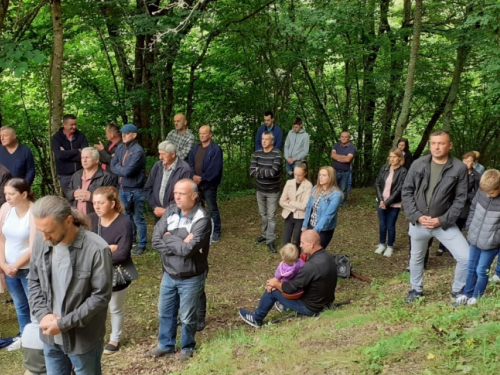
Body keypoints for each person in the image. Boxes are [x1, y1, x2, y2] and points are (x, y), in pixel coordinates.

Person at [27, 196, 113, 375]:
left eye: (49, 231)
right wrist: (43, 314)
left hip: (82, 339)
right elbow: (33, 280)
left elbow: (101, 297)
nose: (44, 237)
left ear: (67, 221)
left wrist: (64, 323)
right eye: (40, 231)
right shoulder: (41, 242)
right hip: (50, 336)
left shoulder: (96, 249)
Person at [402, 130, 470, 302]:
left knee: (466, 257)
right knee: (416, 258)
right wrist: (416, 216)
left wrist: (443, 219)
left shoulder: (459, 167)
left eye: (441, 143)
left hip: (443, 224)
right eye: (433, 143)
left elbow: (461, 199)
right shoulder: (418, 164)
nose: (436, 147)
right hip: (419, 223)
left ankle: (458, 290)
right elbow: (407, 191)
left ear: (449, 145)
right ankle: (416, 290)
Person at [148, 179, 211, 361]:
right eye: (175, 192)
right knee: (165, 312)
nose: (177, 196)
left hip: (191, 276)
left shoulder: (202, 218)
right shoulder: (170, 210)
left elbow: (188, 250)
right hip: (169, 273)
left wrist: (169, 237)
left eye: (181, 193)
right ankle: (165, 345)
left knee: (187, 316)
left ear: (193, 195)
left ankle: (187, 346)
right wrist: (179, 241)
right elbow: (156, 240)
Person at [238, 230, 337, 327]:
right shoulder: (329, 256)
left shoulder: (311, 266)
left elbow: (291, 288)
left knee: (272, 291)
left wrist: (275, 284)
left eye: (302, 243)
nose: (301, 245)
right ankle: (285, 306)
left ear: (311, 244)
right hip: (326, 303)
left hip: (312, 308)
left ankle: (256, 318)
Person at [89, 186, 135, 354]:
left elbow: (122, 254)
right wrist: (107, 250)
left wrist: (95, 256)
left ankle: (114, 339)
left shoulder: (123, 223)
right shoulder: (90, 219)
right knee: (94, 306)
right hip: (92, 273)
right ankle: (95, 336)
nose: (97, 206)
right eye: (94, 203)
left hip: (116, 273)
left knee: (114, 307)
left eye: (101, 203)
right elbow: (81, 246)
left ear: (112, 203)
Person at [453, 170, 500, 306]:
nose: (488, 195)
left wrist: (495, 240)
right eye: (485, 192)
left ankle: (476, 296)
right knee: (471, 267)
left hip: (491, 244)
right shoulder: (482, 192)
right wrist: (469, 226)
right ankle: (466, 293)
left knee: (481, 270)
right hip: (475, 238)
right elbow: (473, 208)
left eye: (491, 193)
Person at [0, 178, 36, 351]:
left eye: (11, 194)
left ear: (24, 194)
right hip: (9, 268)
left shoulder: (34, 212)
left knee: (35, 303)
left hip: (28, 268)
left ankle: (38, 336)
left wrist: (15, 266)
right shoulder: (6, 210)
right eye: (5, 193)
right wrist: (3, 264)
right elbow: (1, 238)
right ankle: (24, 335)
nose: (7, 197)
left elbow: (33, 245)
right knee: (19, 303)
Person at [110, 124, 147, 256]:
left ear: (134, 135)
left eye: (126, 133)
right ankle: (131, 240)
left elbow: (128, 171)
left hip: (135, 190)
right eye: (123, 133)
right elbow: (111, 164)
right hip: (122, 189)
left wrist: (119, 167)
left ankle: (142, 244)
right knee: (127, 217)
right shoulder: (120, 147)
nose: (123, 136)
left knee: (138, 218)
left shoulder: (138, 151)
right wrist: (120, 168)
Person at [436, 151, 481, 256]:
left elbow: (477, 194)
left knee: (458, 227)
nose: (465, 163)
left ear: (474, 163)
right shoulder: (456, 172)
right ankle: (442, 247)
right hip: (451, 203)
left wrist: (465, 195)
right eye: (464, 160)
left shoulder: (477, 176)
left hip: (464, 206)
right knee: (447, 223)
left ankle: (454, 248)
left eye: (468, 161)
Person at [188, 125, 223, 242]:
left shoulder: (215, 149)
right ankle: (201, 228)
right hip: (196, 185)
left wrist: (202, 178)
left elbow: (215, 169)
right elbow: (190, 163)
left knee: (212, 208)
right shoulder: (195, 148)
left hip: (209, 184)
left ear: (210, 134)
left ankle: (216, 231)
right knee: (197, 207)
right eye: (200, 134)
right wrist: (193, 176)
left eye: (204, 133)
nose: (202, 136)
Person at [250, 131, 282, 253]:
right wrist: (262, 171)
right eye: (262, 139)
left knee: (271, 216)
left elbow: (273, 173)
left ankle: (270, 240)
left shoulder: (277, 154)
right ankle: (264, 235)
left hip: (272, 191)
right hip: (260, 190)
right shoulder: (257, 153)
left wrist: (259, 170)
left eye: (266, 139)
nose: (263, 141)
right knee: (263, 215)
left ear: (272, 141)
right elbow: (252, 172)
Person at [145, 141, 191, 223]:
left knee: (172, 235)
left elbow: (184, 195)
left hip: (176, 214)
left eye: (163, 154)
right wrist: (155, 207)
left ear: (173, 155)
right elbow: (148, 188)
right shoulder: (158, 166)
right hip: (158, 212)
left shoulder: (184, 169)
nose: (160, 157)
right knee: (159, 235)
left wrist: (166, 211)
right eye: (159, 154)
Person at [374, 149, 407, 258]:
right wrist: (380, 199)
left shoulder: (403, 171)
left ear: (399, 158)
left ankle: (390, 246)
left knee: (390, 225)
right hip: (381, 201)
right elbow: (378, 183)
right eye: (390, 156)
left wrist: (387, 203)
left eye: (394, 157)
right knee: (382, 224)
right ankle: (382, 244)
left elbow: (399, 189)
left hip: (394, 203)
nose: (392, 159)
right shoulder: (384, 168)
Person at [66, 147, 117, 215]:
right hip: (77, 218)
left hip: (97, 219)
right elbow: (68, 193)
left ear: (96, 160)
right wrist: (73, 193)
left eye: (87, 157)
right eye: (82, 157)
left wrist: (91, 197)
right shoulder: (76, 175)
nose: (84, 160)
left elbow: (111, 200)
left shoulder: (107, 177)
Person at [302, 166, 342, 250]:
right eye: (320, 175)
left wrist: (314, 232)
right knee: (307, 251)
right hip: (311, 225)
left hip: (324, 229)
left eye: (324, 175)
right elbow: (309, 207)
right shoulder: (315, 188)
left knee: (316, 253)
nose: (320, 177)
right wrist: (305, 225)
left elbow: (328, 216)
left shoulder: (336, 195)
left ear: (330, 177)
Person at [51, 114, 89, 194]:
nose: (74, 127)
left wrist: (65, 153)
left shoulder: (81, 136)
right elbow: (59, 155)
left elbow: (86, 154)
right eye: (71, 125)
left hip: (81, 173)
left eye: (75, 124)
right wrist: (76, 151)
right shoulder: (56, 138)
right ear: (64, 125)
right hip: (65, 175)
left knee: (81, 197)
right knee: (70, 198)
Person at [279, 162, 312, 248]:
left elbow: (304, 206)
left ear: (305, 174)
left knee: (296, 242)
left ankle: (297, 260)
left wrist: (290, 202)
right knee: (285, 241)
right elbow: (281, 201)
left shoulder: (308, 185)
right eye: (295, 174)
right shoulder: (289, 182)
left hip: (300, 218)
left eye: (299, 175)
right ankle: (286, 259)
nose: (296, 177)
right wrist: (296, 206)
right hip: (288, 215)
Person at [331, 131, 356, 204]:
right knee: (333, 187)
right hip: (335, 171)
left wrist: (337, 157)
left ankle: (341, 203)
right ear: (340, 137)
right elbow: (332, 156)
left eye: (346, 137)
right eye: (342, 136)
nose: (343, 138)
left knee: (343, 189)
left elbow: (348, 159)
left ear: (349, 138)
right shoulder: (336, 145)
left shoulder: (352, 147)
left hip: (345, 172)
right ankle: (333, 201)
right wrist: (344, 157)